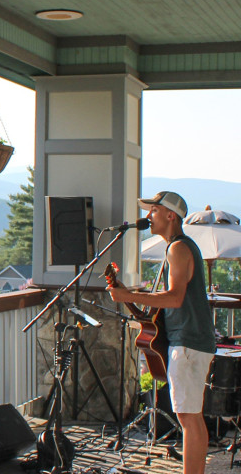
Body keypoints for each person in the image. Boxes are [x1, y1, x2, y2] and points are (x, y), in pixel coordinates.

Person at [107, 191, 215, 474]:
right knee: (191, 416)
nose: (147, 217)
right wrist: (131, 294)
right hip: (190, 341)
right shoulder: (178, 247)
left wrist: (126, 297)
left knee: (188, 418)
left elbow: (175, 298)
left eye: (153, 211)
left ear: (170, 215)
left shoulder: (178, 248)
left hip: (188, 343)